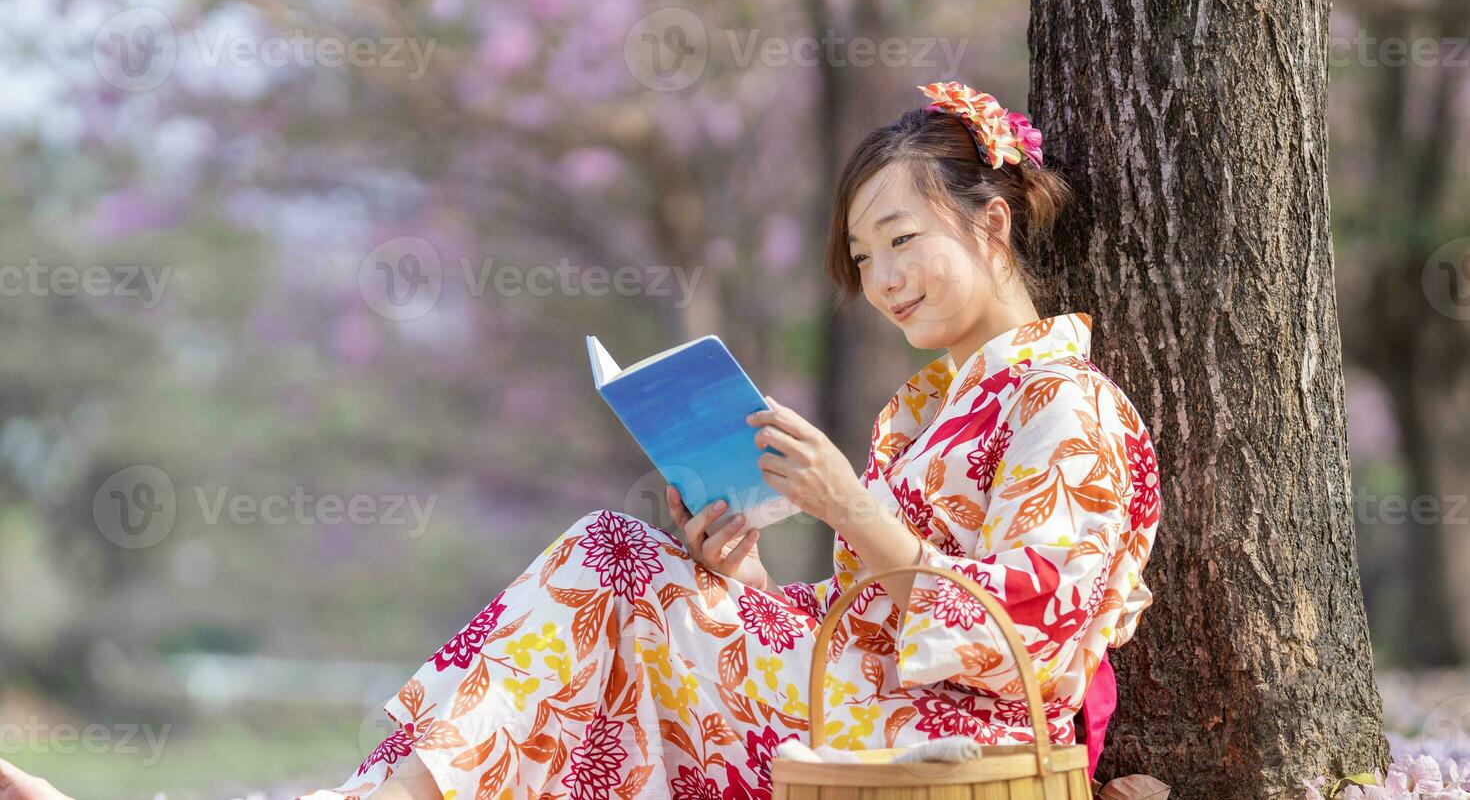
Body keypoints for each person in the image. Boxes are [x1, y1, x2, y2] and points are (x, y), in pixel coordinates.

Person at [0, 81, 1161, 800]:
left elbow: (1041, 630)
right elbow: (868, 613)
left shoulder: (1072, 406)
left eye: (902, 239)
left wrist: (855, 510)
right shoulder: (924, 412)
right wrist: (741, 571)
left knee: (607, 568)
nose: (885, 279)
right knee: (622, 573)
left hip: (943, 741)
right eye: (864, 258)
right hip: (851, 703)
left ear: (993, 221)